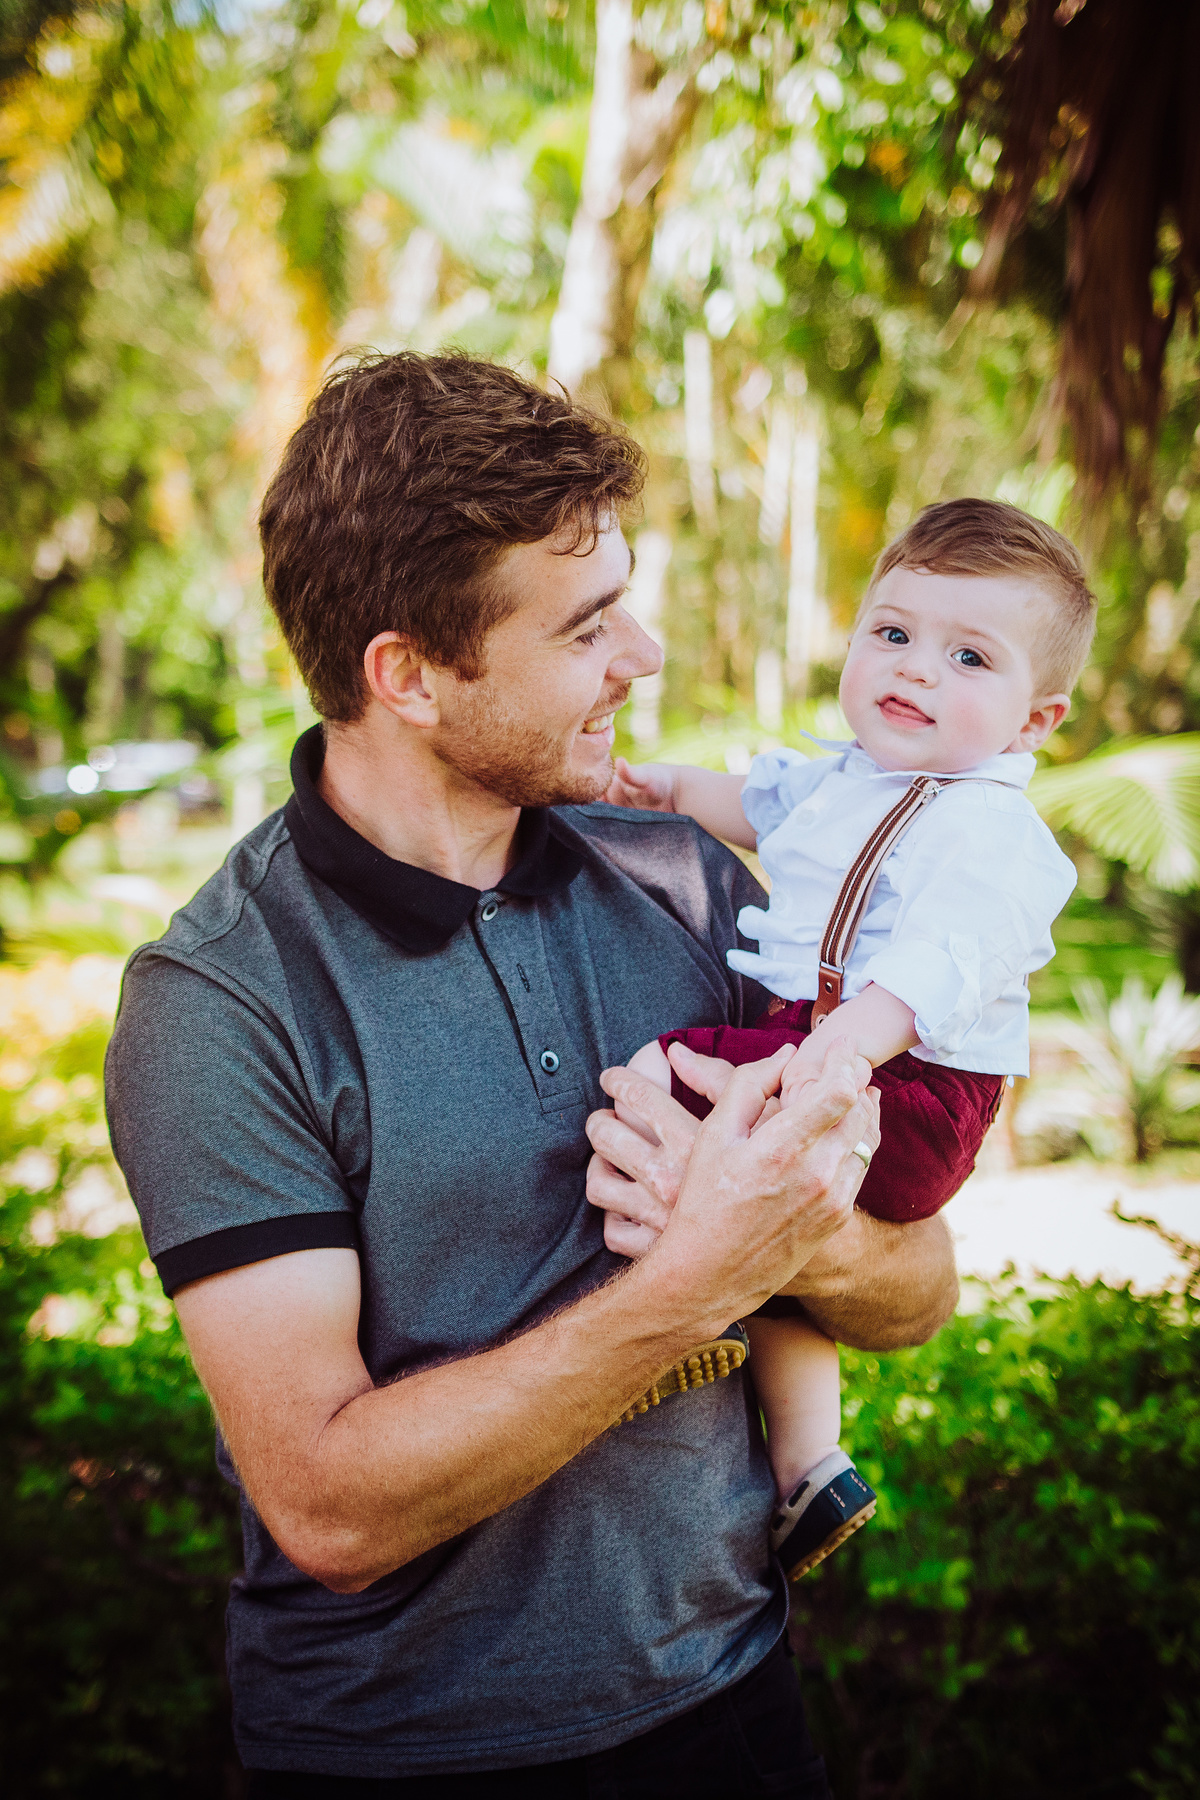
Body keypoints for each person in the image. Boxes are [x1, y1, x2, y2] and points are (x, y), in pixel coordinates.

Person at [105, 352, 959, 1795]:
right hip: (401, 1762)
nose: (642, 656)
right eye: (586, 627)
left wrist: (803, 1226)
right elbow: (328, 1505)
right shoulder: (226, 1001)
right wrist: (695, 1278)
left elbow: (918, 1288)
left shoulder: (687, 881)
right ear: (411, 676)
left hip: (737, 1708)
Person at [603, 499, 1094, 1587]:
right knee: (782, 1269)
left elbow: (945, 963)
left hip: (908, 1075)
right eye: (893, 633)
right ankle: (810, 1466)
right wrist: (660, 790)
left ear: (1035, 721)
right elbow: (745, 803)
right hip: (826, 1042)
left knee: (656, 1082)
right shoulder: (838, 781)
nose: (915, 669)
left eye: (969, 656)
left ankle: (651, 1329)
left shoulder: (993, 831)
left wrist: (842, 1055)